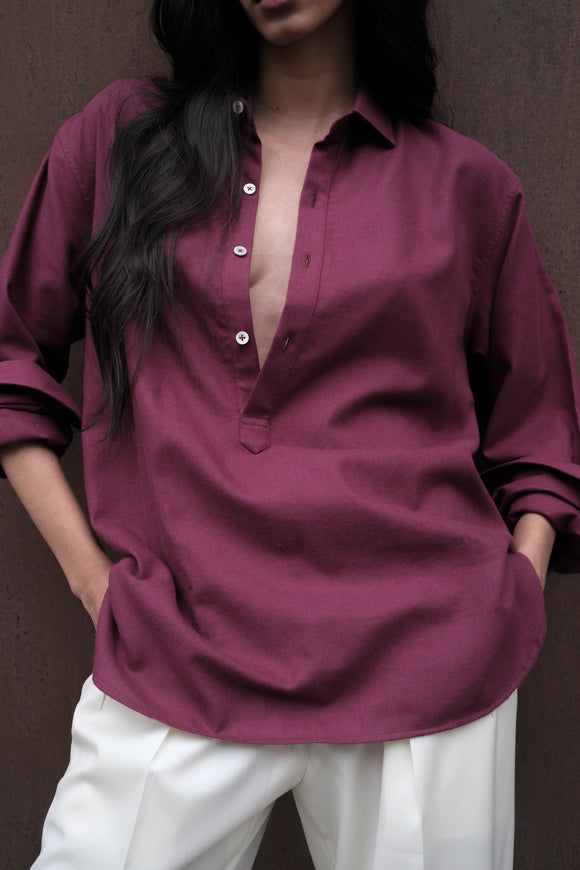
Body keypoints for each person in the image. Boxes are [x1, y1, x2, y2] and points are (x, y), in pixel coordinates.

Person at [1, 0, 579, 868]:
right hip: (175, 656)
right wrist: (95, 582)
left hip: (428, 672)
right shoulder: (120, 140)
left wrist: (508, 594)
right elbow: (12, 358)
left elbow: (541, 432)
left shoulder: (467, 186)